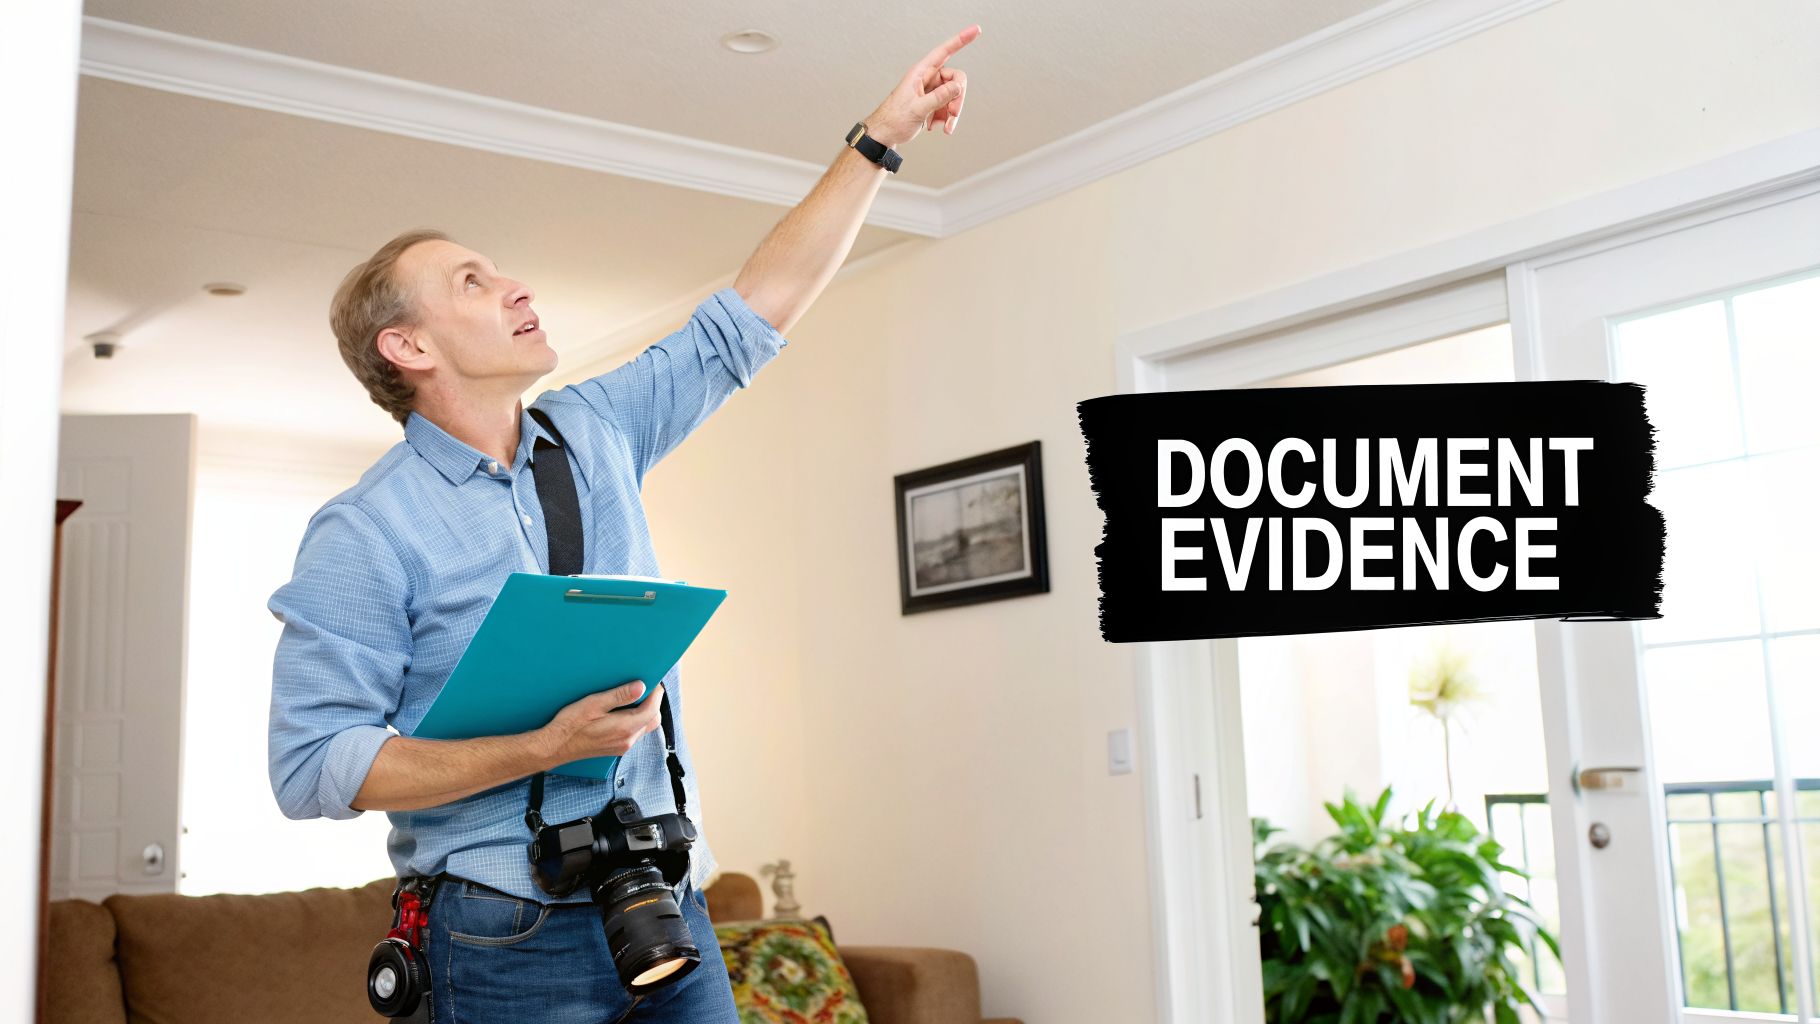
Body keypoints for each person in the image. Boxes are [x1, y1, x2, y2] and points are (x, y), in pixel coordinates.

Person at [266, 26, 978, 1023]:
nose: (514, 285)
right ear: (407, 344)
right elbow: (310, 766)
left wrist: (879, 140)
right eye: (470, 280)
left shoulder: (595, 429)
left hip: (660, 897)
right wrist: (538, 746)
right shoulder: (364, 531)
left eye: (500, 269)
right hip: (498, 929)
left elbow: (753, 313)